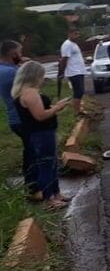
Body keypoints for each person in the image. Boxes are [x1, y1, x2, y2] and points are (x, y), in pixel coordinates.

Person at [12, 61, 72, 209]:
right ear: (34, 75)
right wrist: (57, 108)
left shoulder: (24, 91)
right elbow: (40, 115)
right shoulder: (30, 93)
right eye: (41, 75)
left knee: (52, 164)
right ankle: (48, 199)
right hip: (41, 133)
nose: (42, 78)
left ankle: (56, 193)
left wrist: (56, 107)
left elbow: (39, 110)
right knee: (46, 165)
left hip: (42, 132)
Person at [0, 40, 36, 194]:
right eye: (19, 53)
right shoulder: (12, 72)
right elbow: (32, 86)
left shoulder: (4, 69)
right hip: (23, 118)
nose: (21, 55)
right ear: (13, 54)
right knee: (34, 153)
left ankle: (31, 186)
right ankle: (34, 188)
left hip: (15, 118)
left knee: (29, 151)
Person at [58, 27, 86, 115]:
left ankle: (78, 109)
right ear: (69, 34)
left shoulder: (74, 44)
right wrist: (61, 72)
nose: (77, 36)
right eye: (75, 34)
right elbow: (64, 59)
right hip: (73, 72)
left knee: (80, 91)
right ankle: (76, 111)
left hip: (79, 71)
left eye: (78, 34)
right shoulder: (67, 44)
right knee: (79, 91)